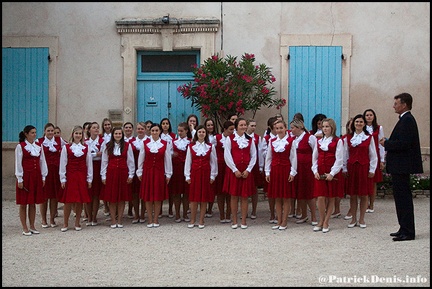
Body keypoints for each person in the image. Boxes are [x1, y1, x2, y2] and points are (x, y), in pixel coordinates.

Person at [379, 92, 423, 241]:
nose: (394, 106)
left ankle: (408, 231)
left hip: (402, 166)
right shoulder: (404, 120)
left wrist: (387, 143)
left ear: (404, 104)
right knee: (400, 198)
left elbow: (404, 143)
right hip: (399, 166)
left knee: (404, 198)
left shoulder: (408, 120)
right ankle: (403, 227)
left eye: (396, 103)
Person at [343, 114, 378, 229]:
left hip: (364, 168)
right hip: (352, 168)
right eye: (357, 122)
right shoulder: (348, 138)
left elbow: (373, 154)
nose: (358, 124)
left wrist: (372, 169)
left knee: (363, 195)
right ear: (353, 124)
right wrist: (344, 168)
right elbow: (345, 154)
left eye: (361, 122)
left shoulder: (369, 138)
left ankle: (362, 218)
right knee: (353, 195)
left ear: (364, 124)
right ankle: (353, 218)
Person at [136, 123, 173, 228]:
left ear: (160, 131)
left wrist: (168, 173)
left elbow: (168, 160)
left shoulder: (165, 143)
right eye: (153, 131)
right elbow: (141, 157)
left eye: (156, 130)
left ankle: (156, 219)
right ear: (150, 132)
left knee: (157, 196)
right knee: (148, 197)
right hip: (147, 172)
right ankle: (150, 219)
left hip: (159, 172)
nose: (154, 132)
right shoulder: (145, 143)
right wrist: (139, 171)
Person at [223, 118, 257, 229]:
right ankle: (234, 220)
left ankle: (243, 220)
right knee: (234, 196)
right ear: (237, 126)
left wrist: (248, 169)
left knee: (244, 196)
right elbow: (227, 155)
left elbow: (254, 155)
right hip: (234, 171)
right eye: (241, 125)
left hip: (246, 171)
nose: (243, 127)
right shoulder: (230, 139)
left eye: (244, 125)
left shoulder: (250, 140)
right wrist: (234, 170)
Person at [311, 118, 343, 233]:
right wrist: (315, 171)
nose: (325, 128)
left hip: (331, 172)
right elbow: (314, 157)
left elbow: (339, 159)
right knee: (320, 197)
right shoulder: (318, 141)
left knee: (331, 197)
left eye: (327, 126)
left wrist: (332, 173)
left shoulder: (338, 141)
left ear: (332, 128)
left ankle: (326, 221)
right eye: (323, 126)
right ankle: (321, 220)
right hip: (320, 171)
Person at [15, 125, 48, 235]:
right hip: (26, 177)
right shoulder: (21, 146)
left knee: (33, 202)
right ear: (26, 134)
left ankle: (32, 225)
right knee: (24, 203)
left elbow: (42, 161)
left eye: (35, 132)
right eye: (32, 132)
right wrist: (20, 178)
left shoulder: (39, 146)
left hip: (36, 176)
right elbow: (18, 163)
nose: (34, 134)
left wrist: (43, 176)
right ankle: (24, 227)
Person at [264, 120, 297, 230]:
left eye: (281, 128)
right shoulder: (272, 141)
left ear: (285, 128)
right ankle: (278, 220)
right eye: (277, 128)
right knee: (277, 197)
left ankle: (284, 221)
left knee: (286, 197)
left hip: (285, 170)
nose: (279, 130)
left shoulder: (291, 141)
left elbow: (293, 158)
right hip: (275, 170)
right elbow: (269, 157)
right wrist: (267, 171)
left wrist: (292, 172)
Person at [59, 125, 93, 232]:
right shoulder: (66, 148)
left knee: (79, 201)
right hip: (71, 176)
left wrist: (89, 179)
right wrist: (63, 178)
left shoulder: (86, 148)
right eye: (76, 133)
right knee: (68, 201)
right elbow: (63, 163)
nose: (78, 135)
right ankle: (65, 222)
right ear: (72, 135)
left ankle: (77, 222)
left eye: (80, 134)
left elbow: (89, 164)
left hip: (81, 176)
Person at [100, 127, 135, 228]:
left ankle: (120, 219)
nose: (118, 135)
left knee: (121, 198)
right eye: (116, 133)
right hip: (111, 173)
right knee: (112, 198)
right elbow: (104, 161)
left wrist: (131, 174)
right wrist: (103, 175)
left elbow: (130, 161)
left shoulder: (127, 146)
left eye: (120, 133)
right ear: (113, 135)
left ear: (122, 135)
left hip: (123, 173)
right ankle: (113, 220)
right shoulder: (107, 146)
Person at [184, 125, 218, 228]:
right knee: (194, 198)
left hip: (206, 174)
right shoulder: (191, 146)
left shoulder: (210, 146)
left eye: (203, 132)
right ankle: (192, 219)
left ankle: (201, 220)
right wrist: (187, 176)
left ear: (206, 134)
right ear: (196, 134)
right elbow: (188, 161)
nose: (201, 134)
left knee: (204, 198)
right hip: (195, 174)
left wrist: (213, 175)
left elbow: (214, 162)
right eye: (200, 132)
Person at [289, 118, 318, 226]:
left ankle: (314, 216)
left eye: (292, 128)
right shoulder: (293, 139)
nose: (291, 130)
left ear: (299, 127)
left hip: (307, 168)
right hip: (297, 168)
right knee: (300, 191)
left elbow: (316, 151)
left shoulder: (310, 137)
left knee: (309, 192)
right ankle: (304, 214)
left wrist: (315, 167)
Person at [37, 123, 63, 228]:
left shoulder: (59, 141)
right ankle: (43, 219)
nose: (51, 133)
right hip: (45, 172)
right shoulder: (39, 142)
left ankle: (52, 219)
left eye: (52, 131)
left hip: (55, 172)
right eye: (49, 131)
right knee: (44, 197)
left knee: (54, 196)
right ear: (44, 131)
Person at [363, 109, 385, 213]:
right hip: (364, 155)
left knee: (373, 181)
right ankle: (365, 203)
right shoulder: (362, 128)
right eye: (367, 115)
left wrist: (382, 159)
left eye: (371, 115)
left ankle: (372, 204)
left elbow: (381, 144)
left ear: (374, 116)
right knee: (365, 180)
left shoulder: (379, 128)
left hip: (375, 155)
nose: (369, 117)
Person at [169, 122, 192, 223]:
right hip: (176, 169)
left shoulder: (190, 142)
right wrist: (172, 154)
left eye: (182, 131)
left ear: (186, 131)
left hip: (186, 169)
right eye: (178, 130)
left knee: (186, 193)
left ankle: (185, 213)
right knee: (176, 193)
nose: (180, 132)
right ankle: (177, 213)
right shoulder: (173, 142)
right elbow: (167, 152)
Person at [84, 121, 105, 226]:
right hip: (87, 167)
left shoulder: (102, 141)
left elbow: (103, 155)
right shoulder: (85, 142)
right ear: (89, 130)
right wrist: (96, 154)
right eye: (94, 127)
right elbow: (85, 155)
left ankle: (94, 216)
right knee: (88, 193)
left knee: (96, 194)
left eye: (97, 128)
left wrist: (93, 154)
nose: (96, 129)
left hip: (98, 166)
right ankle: (88, 216)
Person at [214, 120, 235, 223]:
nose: (232, 132)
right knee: (220, 192)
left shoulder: (234, 139)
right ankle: (222, 214)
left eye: (233, 129)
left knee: (229, 191)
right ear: (225, 130)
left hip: (230, 166)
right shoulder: (216, 138)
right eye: (230, 130)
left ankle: (228, 214)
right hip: (220, 166)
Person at [130, 122, 148, 224]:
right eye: (138, 129)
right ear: (136, 130)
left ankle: (142, 214)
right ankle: (136, 214)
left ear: (145, 130)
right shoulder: (131, 141)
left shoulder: (149, 141)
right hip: (134, 167)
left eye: (142, 129)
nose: (140, 130)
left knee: (144, 193)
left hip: (145, 169)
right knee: (135, 193)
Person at [246, 119, 262, 219]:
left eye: (255, 126)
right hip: (245, 164)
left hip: (254, 164)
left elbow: (259, 152)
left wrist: (260, 166)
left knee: (255, 188)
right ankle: (245, 210)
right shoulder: (243, 137)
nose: (253, 127)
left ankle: (254, 210)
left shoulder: (257, 138)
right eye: (251, 125)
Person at [160, 117, 176, 218]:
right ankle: (160, 209)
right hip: (161, 162)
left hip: (171, 162)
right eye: (163, 123)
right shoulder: (159, 135)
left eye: (167, 123)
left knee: (171, 189)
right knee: (161, 187)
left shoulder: (173, 136)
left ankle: (170, 208)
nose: (165, 125)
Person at [203, 118, 218, 218]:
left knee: (211, 187)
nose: (210, 127)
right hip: (203, 161)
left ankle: (210, 208)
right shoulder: (202, 135)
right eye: (208, 125)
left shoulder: (216, 137)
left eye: (211, 125)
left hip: (212, 160)